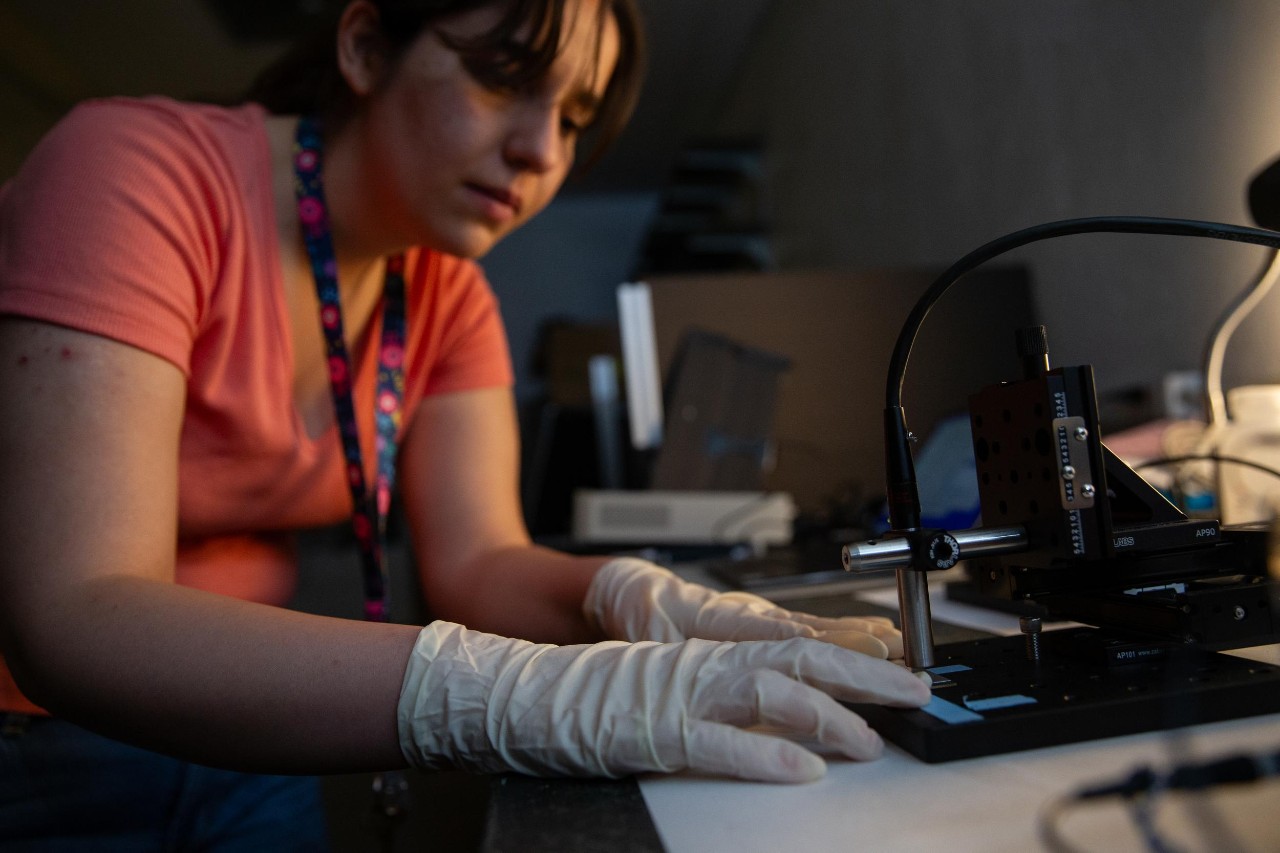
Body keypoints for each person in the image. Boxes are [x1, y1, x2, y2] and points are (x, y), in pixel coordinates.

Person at [0, 0, 931, 847]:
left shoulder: (446, 294)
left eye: (573, 118)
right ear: (366, 48)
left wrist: (629, 593)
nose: (542, 151)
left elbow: (480, 561)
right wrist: (506, 695)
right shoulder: (135, 173)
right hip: (34, 746)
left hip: (236, 719)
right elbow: (71, 615)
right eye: (507, 78)